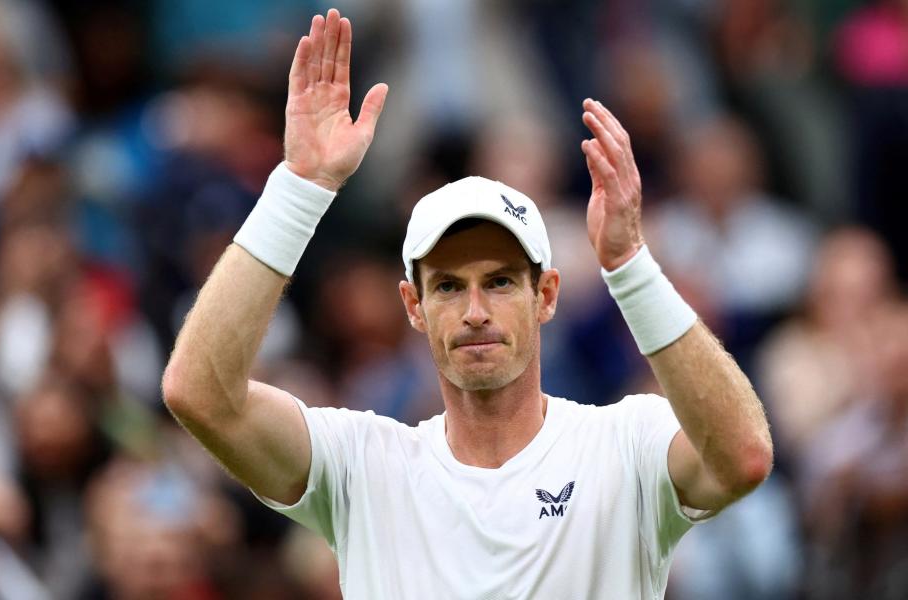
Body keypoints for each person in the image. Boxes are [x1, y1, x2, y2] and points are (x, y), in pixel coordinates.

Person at [163, 9, 773, 598]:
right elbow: (201, 393)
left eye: (502, 281)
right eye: (449, 286)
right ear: (413, 306)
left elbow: (742, 456)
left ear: (547, 296)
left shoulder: (627, 445)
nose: (475, 310)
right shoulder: (364, 464)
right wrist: (299, 189)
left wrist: (629, 267)